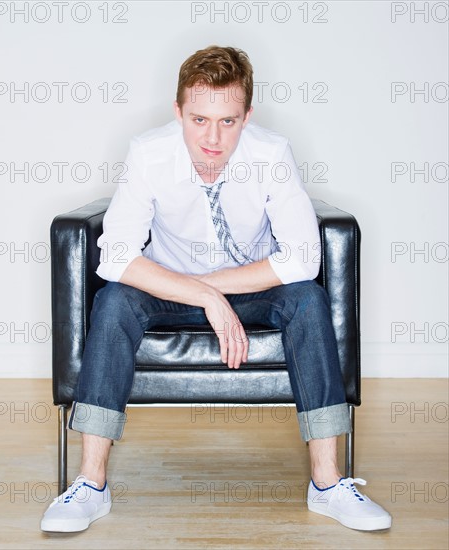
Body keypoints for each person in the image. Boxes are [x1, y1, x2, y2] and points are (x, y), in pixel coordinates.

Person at [41, 45, 392, 533]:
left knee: (308, 298)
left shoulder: (271, 154)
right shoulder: (149, 153)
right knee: (114, 299)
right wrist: (200, 295)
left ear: (247, 115)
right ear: (178, 111)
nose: (212, 137)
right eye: (199, 119)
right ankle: (90, 484)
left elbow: (303, 257)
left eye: (227, 121)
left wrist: (211, 288)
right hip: (167, 292)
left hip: (249, 288)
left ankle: (328, 483)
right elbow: (115, 255)